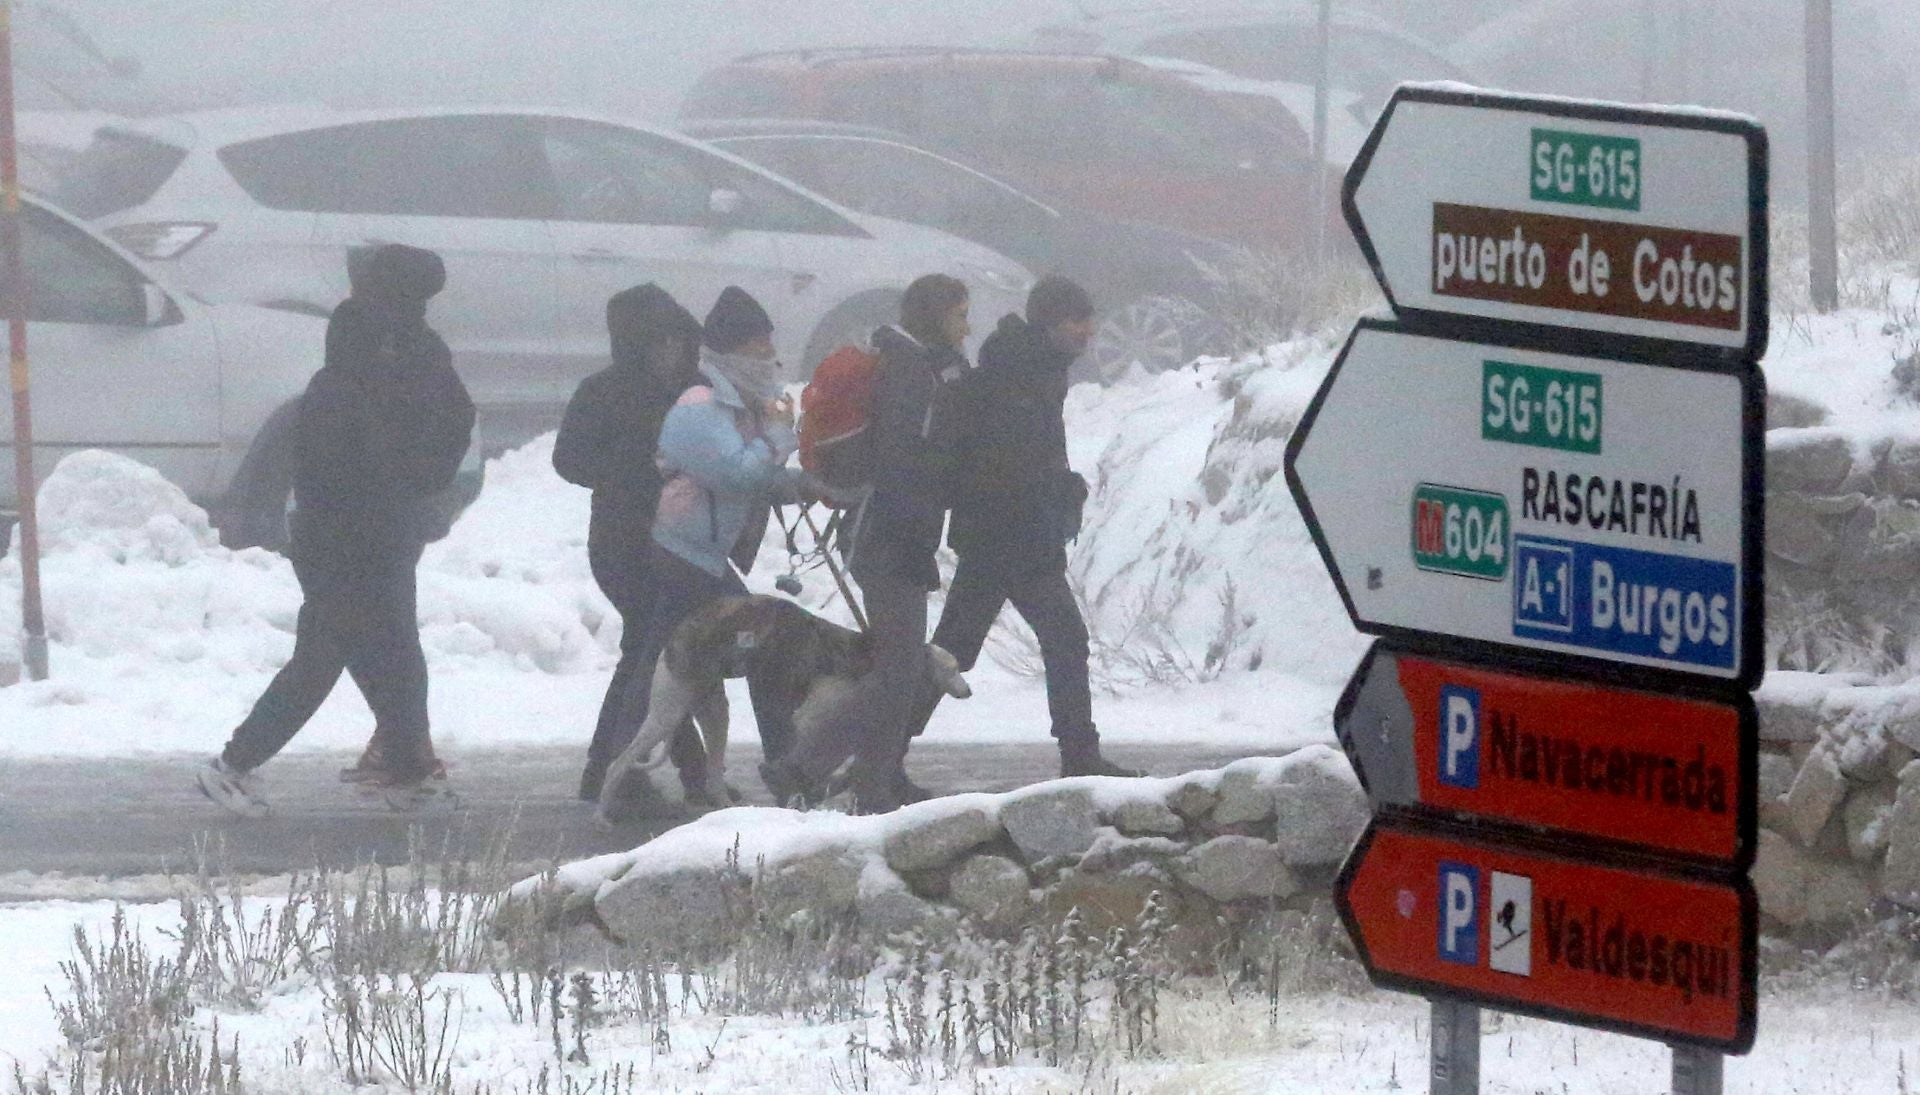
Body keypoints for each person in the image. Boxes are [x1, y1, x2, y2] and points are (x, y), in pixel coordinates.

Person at [196, 244, 475, 815]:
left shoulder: (352, 356)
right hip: (377, 530)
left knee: (376, 648)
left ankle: (404, 764)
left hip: (338, 533)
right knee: (356, 651)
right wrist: (422, 485)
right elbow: (453, 420)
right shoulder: (418, 354)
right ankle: (236, 764)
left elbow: (323, 456)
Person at [598, 285, 812, 814]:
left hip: (702, 554)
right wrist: (781, 438)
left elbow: (748, 472)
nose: (771, 362)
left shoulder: (738, 404)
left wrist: (799, 483)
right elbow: (737, 473)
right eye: (761, 351)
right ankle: (785, 768)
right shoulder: (699, 407)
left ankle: (674, 775)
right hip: (682, 555)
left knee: (675, 662)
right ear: (732, 353)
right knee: (683, 660)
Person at [919, 276, 1142, 778]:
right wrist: (1055, 495)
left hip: (1008, 536)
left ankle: (863, 757)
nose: (1089, 331)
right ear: (1050, 323)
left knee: (963, 649)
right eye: (1078, 321)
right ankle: (869, 756)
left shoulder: (1033, 367)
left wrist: (1059, 490)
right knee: (980, 647)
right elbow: (1007, 465)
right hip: (1007, 537)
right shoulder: (1017, 372)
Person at [552, 283, 708, 803]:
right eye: (657, 343)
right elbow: (568, 460)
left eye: (678, 341)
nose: (671, 353)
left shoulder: (698, 390)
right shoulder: (603, 392)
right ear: (635, 345)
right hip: (623, 539)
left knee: (654, 655)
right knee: (652, 652)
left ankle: (619, 769)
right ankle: (622, 771)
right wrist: (629, 473)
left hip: (684, 538)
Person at [838, 273, 973, 814]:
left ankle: (879, 778)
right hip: (888, 534)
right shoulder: (911, 371)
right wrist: (914, 533)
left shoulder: (914, 364)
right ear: (938, 316)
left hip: (890, 531)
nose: (968, 327)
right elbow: (905, 459)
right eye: (961, 315)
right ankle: (856, 781)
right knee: (897, 669)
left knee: (899, 665)